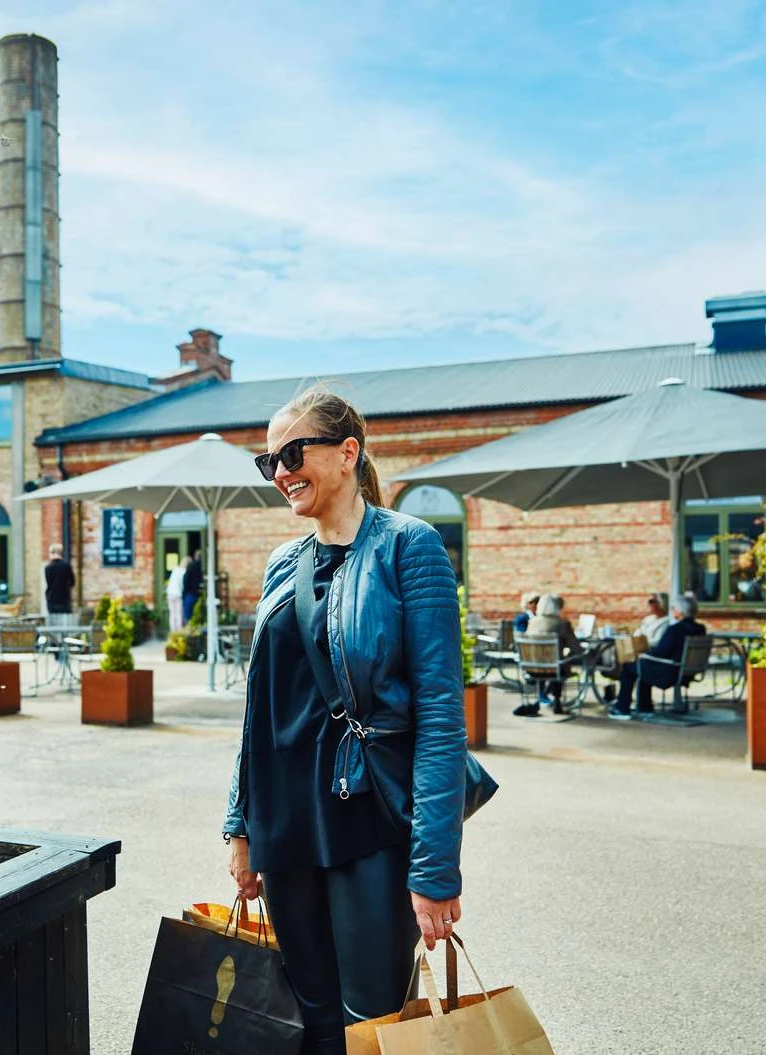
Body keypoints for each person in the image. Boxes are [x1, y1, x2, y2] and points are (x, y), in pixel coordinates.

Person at [224, 386, 466, 1054]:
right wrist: (240, 824)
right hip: (285, 827)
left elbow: (443, 714)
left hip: (368, 827)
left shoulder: (407, 548)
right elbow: (259, 710)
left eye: (293, 452)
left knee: (372, 1026)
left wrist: (436, 865)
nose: (279, 472)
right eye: (268, 460)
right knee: (307, 1021)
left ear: (346, 454)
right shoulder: (282, 563)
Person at [608, 594, 708, 718]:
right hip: (687, 672)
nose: (672, 611)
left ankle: (622, 708)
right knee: (644, 666)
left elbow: (660, 651)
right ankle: (645, 707)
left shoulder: (675, 629)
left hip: (670, 672)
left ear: (680, 611)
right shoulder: (700, 629)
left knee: (630, 667)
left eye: (674, 608)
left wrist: (643, 654)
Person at [517, 593, 580, 717]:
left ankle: (540, 699)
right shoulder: (562, 624)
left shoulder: (533, 622)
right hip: (555, 669)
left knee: (553, 663)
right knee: (559, 664)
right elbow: (576, 649)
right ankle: (557, 702)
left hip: (532, 668)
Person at [44, 542, 75, 616]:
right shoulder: (67, 566)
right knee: (66, 624)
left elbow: (49, 583)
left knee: (53, 623)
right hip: (64, 599)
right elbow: (72, 582)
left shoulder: (48, 568)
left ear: (52, 553)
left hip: (51, 599)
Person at [182, 548, 204, 626]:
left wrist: (184, 594)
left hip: (191, 593)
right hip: (201, 594)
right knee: (200, 615)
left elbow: (186, 580)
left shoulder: (191, 566)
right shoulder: (204, 566)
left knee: (188, 616)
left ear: (195, 556)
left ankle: (190, 632)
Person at [166, 559, 188, 633]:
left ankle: (173, 631)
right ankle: (179, 632)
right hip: (178, 594)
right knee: (178, 613)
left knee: (172, 613)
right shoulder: (183, 572)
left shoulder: (175, 569)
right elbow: (182, 584)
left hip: (170, 593)